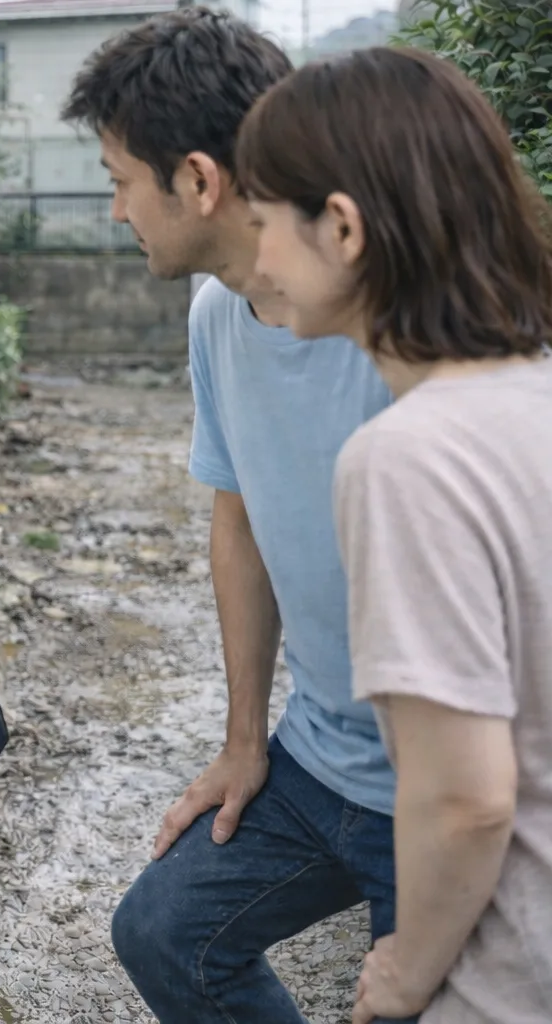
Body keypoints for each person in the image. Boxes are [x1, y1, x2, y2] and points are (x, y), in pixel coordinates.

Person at [61, 8, 402, 1021]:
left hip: (445, 784)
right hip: (317, 757)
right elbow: (240, 521)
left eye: (123, 179)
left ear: (200, 180)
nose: (118, 209)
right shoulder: (217, 314)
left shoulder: (408, 335)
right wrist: (245, 736)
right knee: (165, 932)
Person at [235, 46, 552, 1024]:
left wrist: (408, 972)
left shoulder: (408, 459)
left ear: (342, 228)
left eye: (260, 224)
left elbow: (465, 796)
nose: (252, 266)